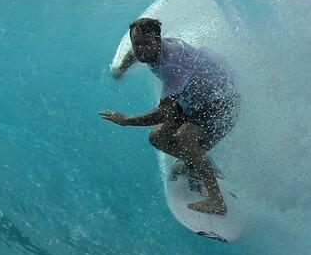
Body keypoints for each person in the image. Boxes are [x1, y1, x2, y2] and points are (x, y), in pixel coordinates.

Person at [100, 17, 240, 215]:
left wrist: (126, 121)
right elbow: (135, 53)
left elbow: (163, 112)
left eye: (146, 43)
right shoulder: (152, 49)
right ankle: (195, 162)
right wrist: (122, 68)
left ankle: (216, 201)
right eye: (136, 43)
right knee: (157, 137)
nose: (140, 49)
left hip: (221, 101)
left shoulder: (171, 65)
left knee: (185, 138)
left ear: (158, 40)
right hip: (195, 100)